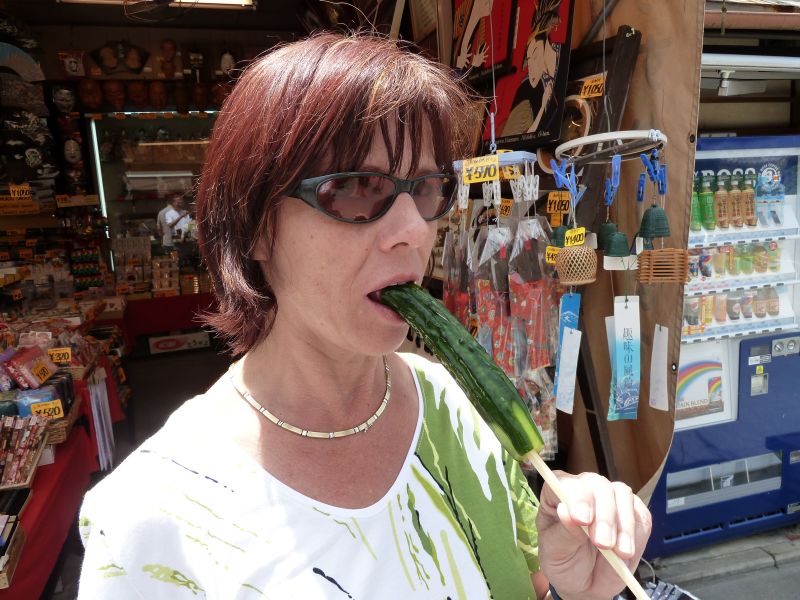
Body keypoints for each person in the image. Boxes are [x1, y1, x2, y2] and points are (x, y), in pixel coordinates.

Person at [77, 33, 651, 599]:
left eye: (427, 188)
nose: (414, 231)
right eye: (355, 187)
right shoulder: (152, 520)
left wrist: (575, 589)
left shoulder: (457, 408)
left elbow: (528, 585)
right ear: (255, 227)